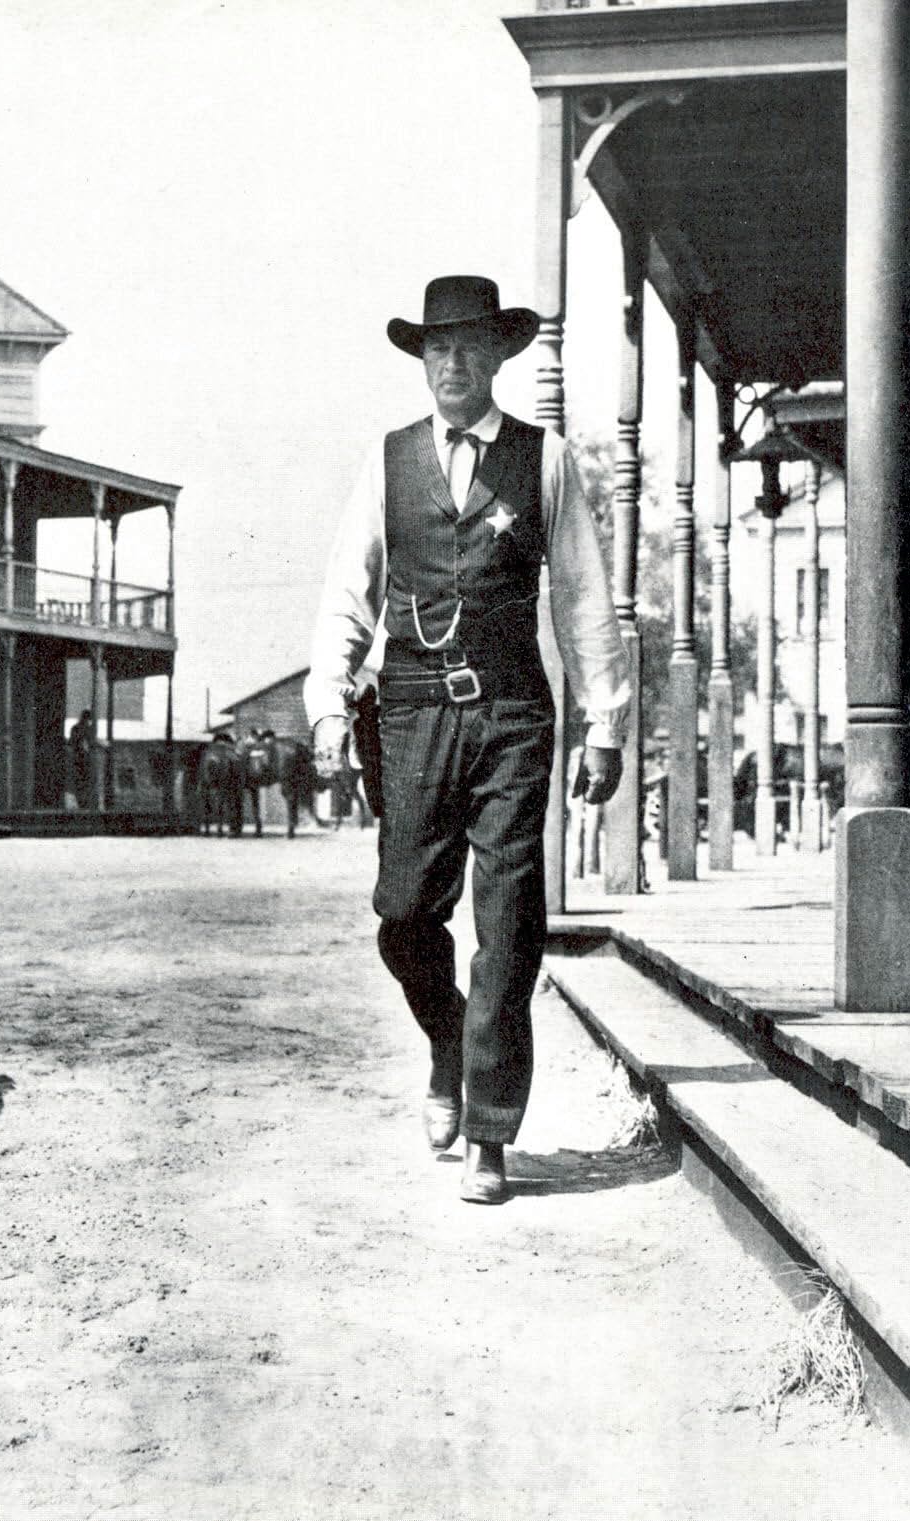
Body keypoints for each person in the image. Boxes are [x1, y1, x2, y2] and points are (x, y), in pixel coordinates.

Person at [305, 275, 630, 1205]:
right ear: (423, 360)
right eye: (437, 348)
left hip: (514, 713)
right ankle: (449, 1036)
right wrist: (330, 705)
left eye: (470, 347)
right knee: (404, 913)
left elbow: (578, 593)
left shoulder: (547, 459)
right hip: (409, 710)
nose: (452, 363)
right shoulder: (387, 461)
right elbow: (347, 590)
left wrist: (603, 721)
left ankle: (491, 1130)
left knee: (509, 919)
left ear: (497, 357)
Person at [68, 708, 95, 809]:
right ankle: (84, 803)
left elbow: (71, 742)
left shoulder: (75, 728)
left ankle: (81, 802)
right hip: (84, 759)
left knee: (79, 782)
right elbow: (89, 743)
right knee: (85, 781)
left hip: (77, 758)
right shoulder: (87, 729)